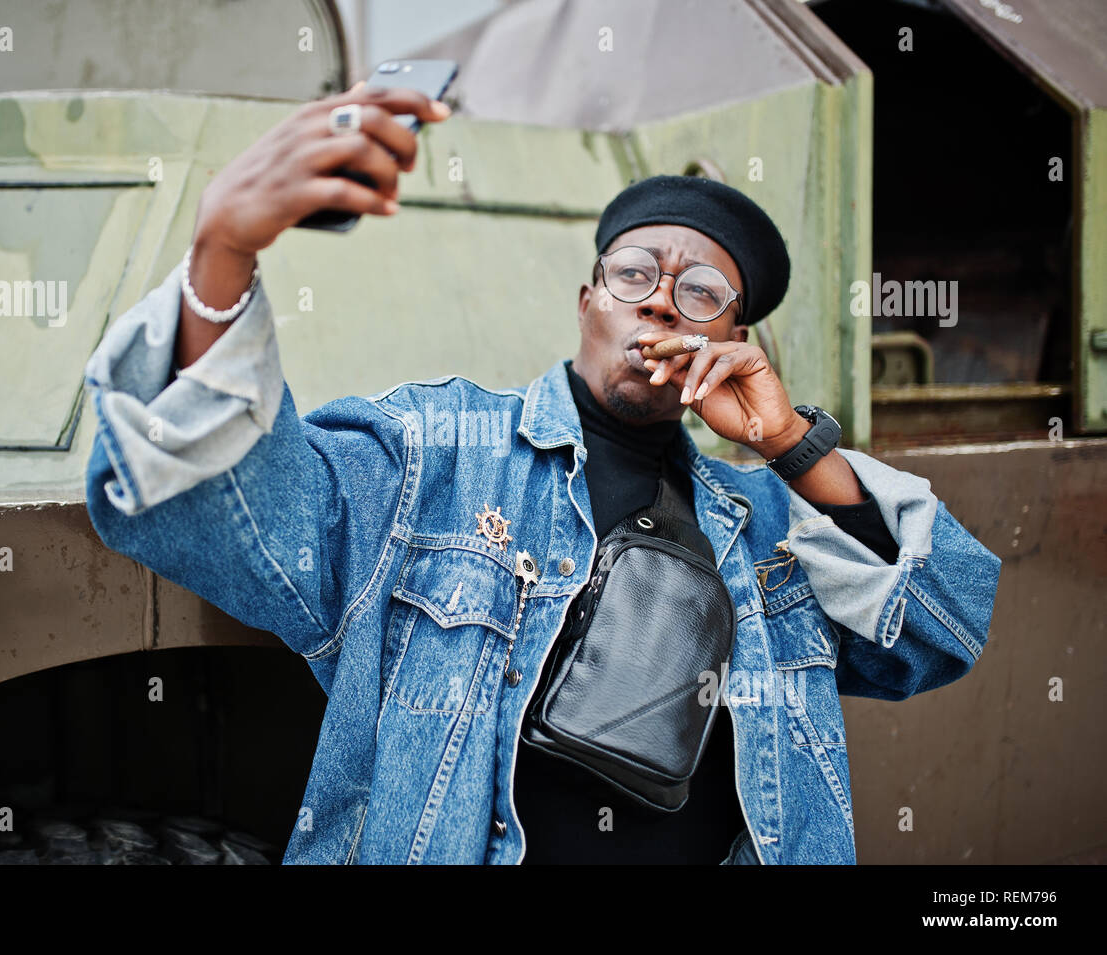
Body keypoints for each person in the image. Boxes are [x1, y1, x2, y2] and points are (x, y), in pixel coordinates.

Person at [83, 84, 1002, 864]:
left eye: (701, 293)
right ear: (586, 302)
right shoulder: (433, 453)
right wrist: (222, 258)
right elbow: (235, 512)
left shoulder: (768, 525)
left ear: (732, 343)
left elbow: (939, 630)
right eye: (635, 271)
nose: (658, 304)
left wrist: (794, 447)